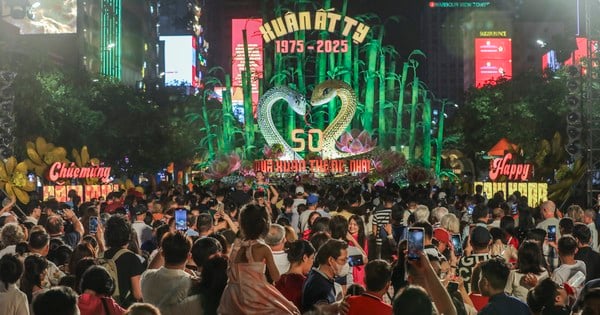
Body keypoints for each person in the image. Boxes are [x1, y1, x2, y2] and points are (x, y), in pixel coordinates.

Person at [218, 204, 300, 314]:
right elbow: (275, 276)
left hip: (232, 297)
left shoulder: (236, 246)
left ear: (242, 224)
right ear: (265, 225)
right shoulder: (263, 248)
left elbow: (230, 269)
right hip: (255, 294)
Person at [141, 231, 201, 314]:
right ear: (189, 256)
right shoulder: (192, 283)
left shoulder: (147, 277)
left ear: (162, 253)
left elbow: (151, 269)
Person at [103, 215, 144, 307]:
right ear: (128, 235)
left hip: (105, 307)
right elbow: (138, 294)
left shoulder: (102, 256)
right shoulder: (132, 258)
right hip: (123, 308)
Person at [301, 238, 349, 314]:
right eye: (343, 260)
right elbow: (319, 309)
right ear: (330, 260)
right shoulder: (317, 283)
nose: (346, 264)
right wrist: (337, 306)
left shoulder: (320, 278)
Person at [275, 239, 316, 310]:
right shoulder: (305, 284)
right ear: (305, 258)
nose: (312, 262)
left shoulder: (279, 281)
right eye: (312, 258)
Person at [458, 226, 492, 293]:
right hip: (492, 302)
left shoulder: (461, 262)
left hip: (467, 302)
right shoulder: (498, 262)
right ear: (490, 242)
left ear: (470, 243)